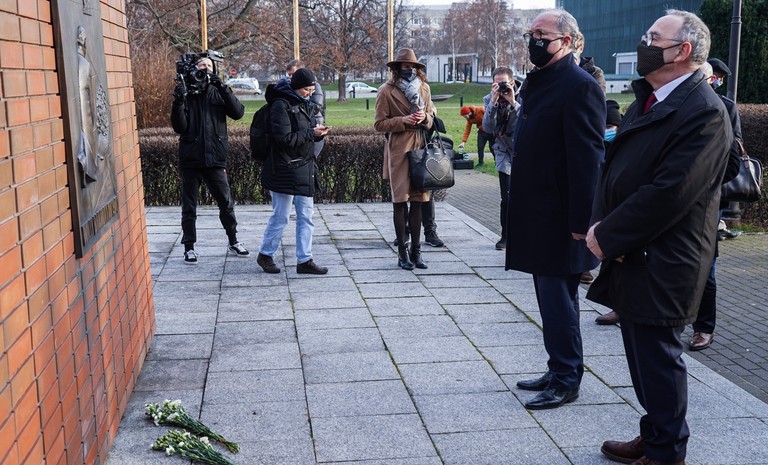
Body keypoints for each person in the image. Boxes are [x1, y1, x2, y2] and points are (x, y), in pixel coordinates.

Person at [586, 10, 732, 465]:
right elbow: (618, 169)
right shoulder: (650, 99)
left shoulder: (703, 111)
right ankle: (654, 433)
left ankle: (668, 453)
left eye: (654, 38)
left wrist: (609, 235)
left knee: (659, 360)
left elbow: (670, 193)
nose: (644, 44)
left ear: (683, 51)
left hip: (666, 258)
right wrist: (602, 226)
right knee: (641, 356)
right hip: (637, 252)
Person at [506, 9, 605, 410]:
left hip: (562, 219)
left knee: (559, 301)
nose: (533, 41)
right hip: (538, 214)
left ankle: (566, 379)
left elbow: (587, 160)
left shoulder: (579, 86)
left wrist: (582, 222)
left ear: (566, 41)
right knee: (551, 301)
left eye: (541, 35)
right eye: (530, 34)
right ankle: (558, 366)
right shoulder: (541, 80)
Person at [171, 55, 249, 264]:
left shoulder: (218, 90)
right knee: (189, 207)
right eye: (201, 65)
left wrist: (222, 87)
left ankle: (233, 240)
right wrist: (179, 101)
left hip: (215, 158)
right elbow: (179, 127)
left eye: (209, 65)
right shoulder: (187, 92)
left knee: (226, 202)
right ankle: (189, 247)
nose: (205, 69)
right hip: (191, 158)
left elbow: (238, 113)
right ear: (193, 69)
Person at [687, 61, 742, 351]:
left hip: (705, 201)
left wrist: (702, 183)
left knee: (705, 268)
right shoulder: (666, 103)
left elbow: (733, 159)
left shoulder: (723, 107)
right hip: (668, 201)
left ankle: (704, 327)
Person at [256, 68, 330, 275]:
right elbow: (284, 139)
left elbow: (304, 135)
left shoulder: (304, 104)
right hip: (283, 168)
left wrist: (318, 134)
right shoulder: (280, 105)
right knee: (281, 216)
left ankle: (305, 260)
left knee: (306, 215)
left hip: (303, 167)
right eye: (306, 90)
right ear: (296, 87)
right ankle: (265, 254)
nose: (310, 93)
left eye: (312, 90)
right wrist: (311, 133)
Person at [374, 48, 435, 270]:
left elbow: (432, 117)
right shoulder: (386, 91)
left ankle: (416, 252)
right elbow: (379, 124)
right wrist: (403, 120)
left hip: (420, 146)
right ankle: (402, 253)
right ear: (397, 68)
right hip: (399, 149)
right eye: (405, 66)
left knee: (419, 201)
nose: (409, 70)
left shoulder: (424, 88)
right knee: (400, 202)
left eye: (413, 66)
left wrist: (424, 117)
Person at [482, 66, 519, 251]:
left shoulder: (523, 97)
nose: (501, 87)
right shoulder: (489, 99)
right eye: (497, 84)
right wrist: (493, 102)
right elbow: (488, 127)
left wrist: (513, 102)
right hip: (503, 151)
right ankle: (505, 236)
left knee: (524, 197)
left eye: (504, 83)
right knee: (506, 197)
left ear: (512, 82)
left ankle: (522, 235)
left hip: (523, 151)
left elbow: (525, 124)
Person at [707, 57, 744, 241]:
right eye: (717, 76)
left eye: (720, 78)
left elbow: (737, 140)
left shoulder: (727, 106)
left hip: (718, 175)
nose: (718, 81)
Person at [284, 59, 326, 157]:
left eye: (293, 74)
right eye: (289, 75)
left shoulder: (313, 86)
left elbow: (316, 105)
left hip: (313, 124)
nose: (291, 77)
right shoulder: (289, 87)